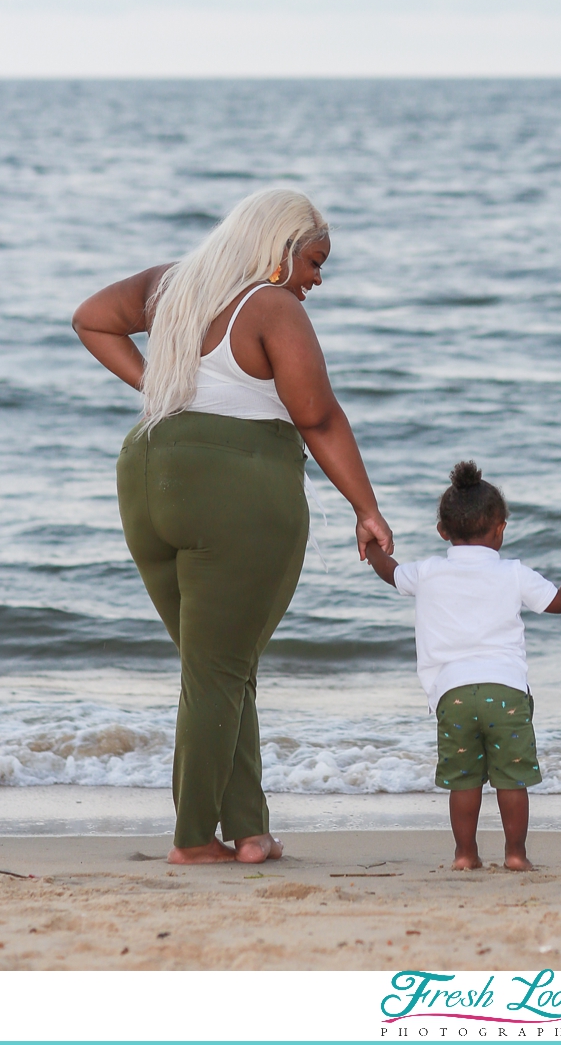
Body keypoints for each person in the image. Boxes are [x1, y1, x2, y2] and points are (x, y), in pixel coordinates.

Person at [73, 187, 392, 867]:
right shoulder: (269, 306)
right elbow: (319, 417)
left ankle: (250, 831)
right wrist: (367, 508)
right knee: (218, 668)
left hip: (148, 472)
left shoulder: (168, 286)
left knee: (217, 663)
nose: (316, 279)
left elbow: (91, 319)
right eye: (312, 261)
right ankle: (193, 839)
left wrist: (158, 385)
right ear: (277, 250)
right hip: (235, 484)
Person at [365, 460, 561, 871]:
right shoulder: (513, 573)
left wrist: (371, 542)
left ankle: (464, 855)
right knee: (511, 779)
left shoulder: (426, 571)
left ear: (443, 531)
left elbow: (388, 572)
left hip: (453, 694)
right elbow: (560, 602)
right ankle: (515, 855)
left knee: (463, 780)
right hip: (506, 692)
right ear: (500, 529)